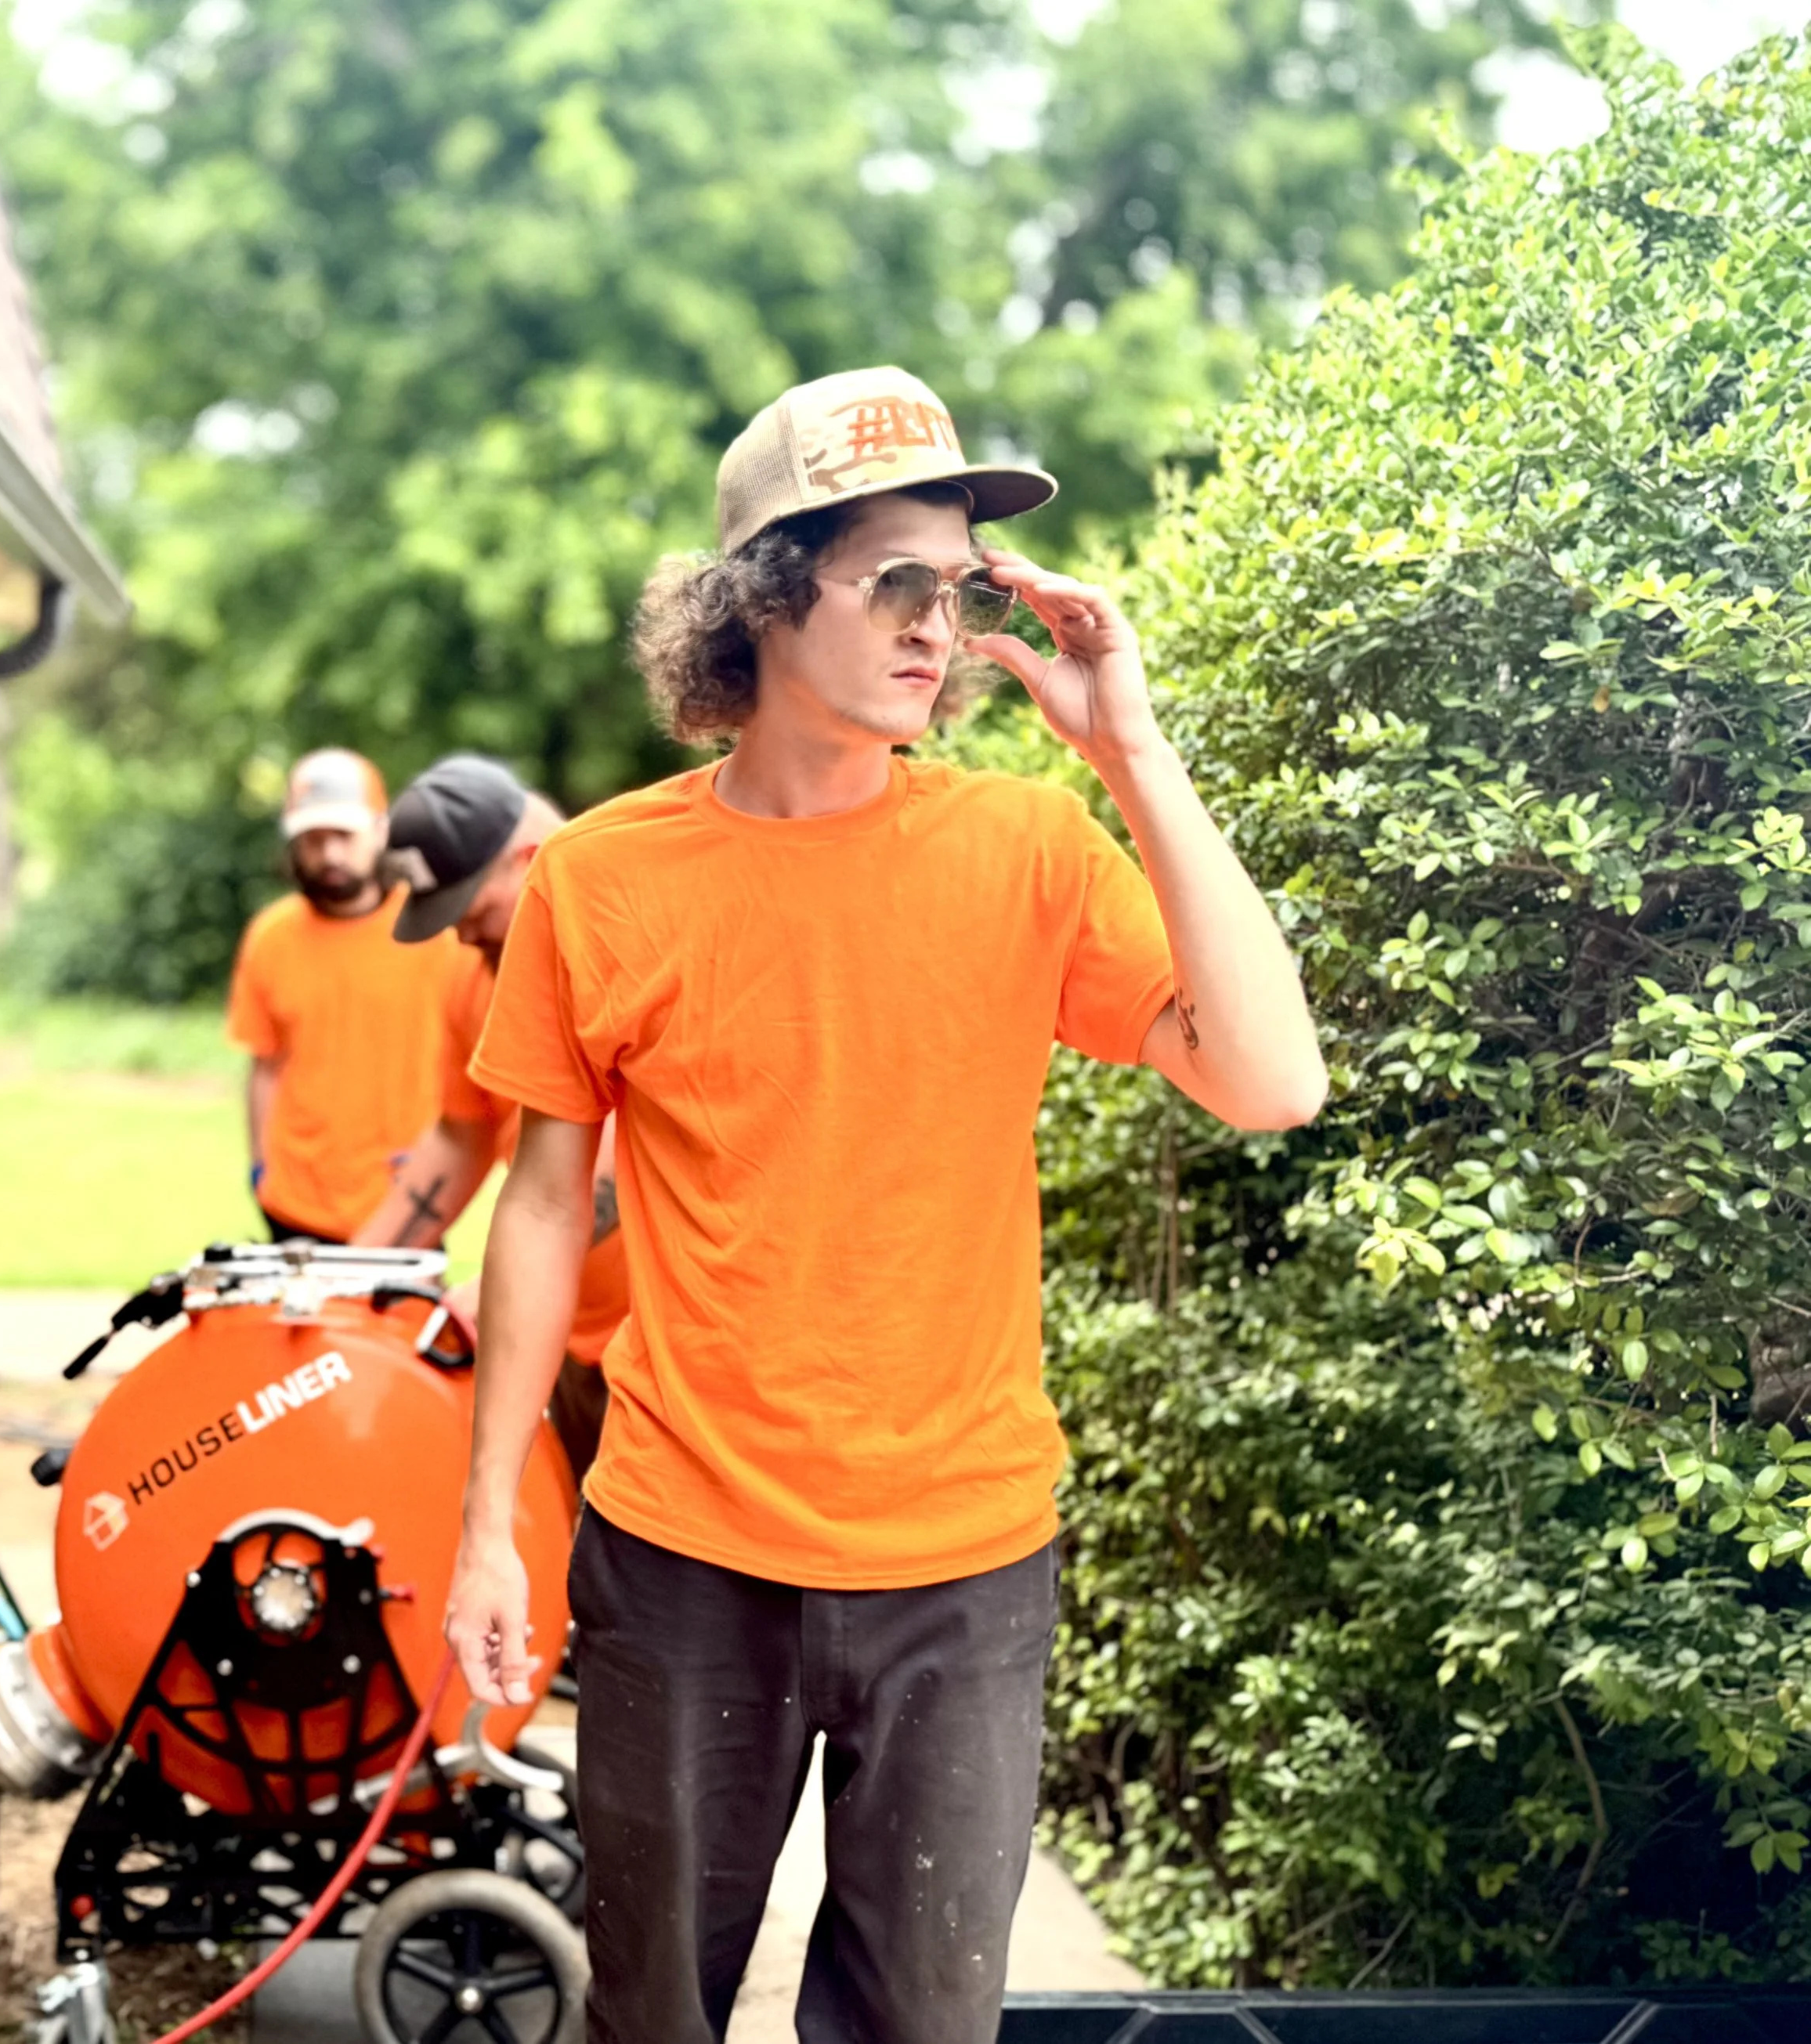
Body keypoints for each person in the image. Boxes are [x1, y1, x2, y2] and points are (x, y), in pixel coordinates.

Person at [446, 366, 1329, 2044]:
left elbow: (1271, 1079)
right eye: (896, 584)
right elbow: (545, 1208)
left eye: (962, 588)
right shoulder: (603, 883)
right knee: (649, 2019)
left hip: (963, 1563)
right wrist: (492, 1517)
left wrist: (1130, 750)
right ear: (764, 600)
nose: (940, 625)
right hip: (680, 1554)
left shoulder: (1026, 850)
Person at [355, 753, 628, 1482]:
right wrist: (350, 1276)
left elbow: (633, 1156)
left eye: (471, 911)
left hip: (671, 1348)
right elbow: (460, 1134)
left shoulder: (631, 935)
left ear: (530, 859)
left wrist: (504, 1285)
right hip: (571, 1339)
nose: (461, 936)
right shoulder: (479, 973)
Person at [226, 746, 463, 1244]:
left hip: (405, 1197)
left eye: (343, 836)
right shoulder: (270, 937)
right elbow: (265, 1066)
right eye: (313, 839)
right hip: (295, 1203)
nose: (329, 854)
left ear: (380, 831)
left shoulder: (436, 934)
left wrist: (437, 1165)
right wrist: (260, 1168)